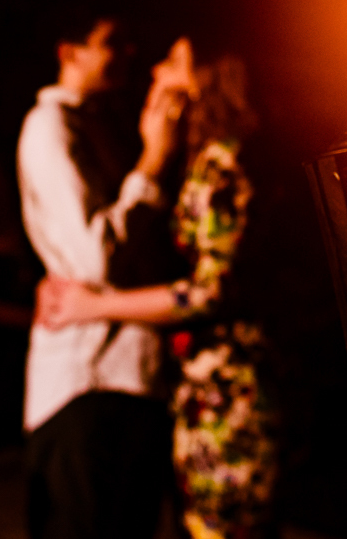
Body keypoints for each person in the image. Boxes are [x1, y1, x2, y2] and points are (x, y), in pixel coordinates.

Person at [38, 39, 279, 539]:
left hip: (228, 395)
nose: (155, 68)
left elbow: (209, 290)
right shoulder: (201, 160)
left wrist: (94, 306)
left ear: (204, 79)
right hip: (197, 391)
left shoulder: (222, 164)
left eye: (173, 62)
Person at [18, 15, 189, 539]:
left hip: (127, 381)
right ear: (68, 50)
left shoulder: (102, 121)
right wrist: (153, 162)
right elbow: (95, 260)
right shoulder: (53, 127)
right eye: (108, 43)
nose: (129, 55)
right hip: (89, 383)